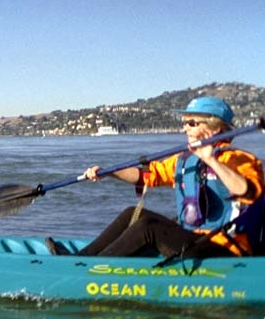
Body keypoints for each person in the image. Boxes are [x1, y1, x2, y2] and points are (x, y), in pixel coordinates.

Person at [47, 97, 264, 258]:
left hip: (224, 245)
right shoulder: (185, 160)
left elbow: (248, 192)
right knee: (132, 214)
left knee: (148, 226)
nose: (185, 128)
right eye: (184, 122)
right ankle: (83, 258)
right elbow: (147, 175)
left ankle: (94, 269)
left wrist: (211, 160)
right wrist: (108, 172)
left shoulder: (239, 159)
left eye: (192, 123)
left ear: (215, 129)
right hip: (192, 237)